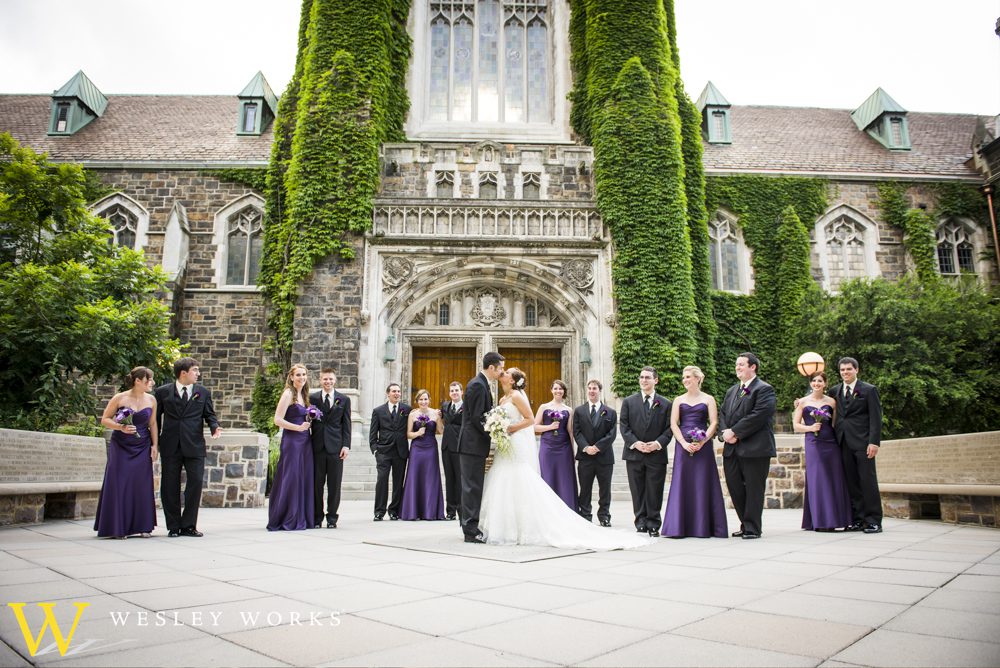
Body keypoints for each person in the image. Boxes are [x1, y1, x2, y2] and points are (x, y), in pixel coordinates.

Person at [480, 368, 652, 549]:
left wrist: (509, 428)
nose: (504, 372)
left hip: (524, 444)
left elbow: (530, 420)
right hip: (508, 445)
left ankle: (527, 526)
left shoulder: (517, 396)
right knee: (504, 482)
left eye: (508, 372)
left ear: (513, 381)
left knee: (521, 480)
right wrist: (498, 428)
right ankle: (505, 526)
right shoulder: (502, 399)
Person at [155, 357, 221, 538]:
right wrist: (154, 443)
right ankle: (173, 526)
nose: (198, 374)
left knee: (196, 483)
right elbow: (154, 421)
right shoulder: (162, 392)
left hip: (195, 445)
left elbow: (210, 415)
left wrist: (215, 427)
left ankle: (189, 525)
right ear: (183, 373)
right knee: (169, 485)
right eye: (195, 370)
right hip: (170, 444)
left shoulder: (203, 392)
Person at [660, 366, 727, 538]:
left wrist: (703, 440)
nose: (685, 380)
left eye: (688, 376)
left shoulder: (708, 399)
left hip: (703, 446)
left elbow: (713, 422)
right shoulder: (678, 400)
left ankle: (703, 526)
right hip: (683, 446)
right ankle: (679, 526)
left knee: (702, 482)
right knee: (683, 481)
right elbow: (674, 423)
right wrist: (682, 442)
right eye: (684, 377)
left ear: (698, 378)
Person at [94, 367, 158, 539]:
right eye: (149, 379)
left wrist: (154, 446)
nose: (152, 382)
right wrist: (120, 427)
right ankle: (117, 526)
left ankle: (143, 526)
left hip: (142, 445)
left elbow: (152, 424)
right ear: (138, 381)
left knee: (141, 484)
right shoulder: (120, 397)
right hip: (121, 446)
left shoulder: (152, 400)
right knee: (119, 482)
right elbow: (105, 419)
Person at [718, 352, 776, 540]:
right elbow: (723, 414)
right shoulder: (732, 390)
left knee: (753, 488)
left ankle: (753, 527)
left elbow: (759, 415)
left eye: (741, 364)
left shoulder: (764, 389)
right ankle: (744, 523)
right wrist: (725, 433)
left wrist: (735, 432)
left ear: (753, 367)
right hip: (732, 449)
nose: (738, 367)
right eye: (737, 364)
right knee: (735, 488)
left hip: (755, 449)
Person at [793, 371, 851, 532]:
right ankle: (820, 520)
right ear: (810, 383)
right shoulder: (802, 402)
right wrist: (810, 427)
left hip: (830, 443)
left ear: (825, 384)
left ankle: (836, 518)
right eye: (814, 381)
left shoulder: (832, 402)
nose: (817, 383)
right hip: (813, 443)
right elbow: (796, 426)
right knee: (819, 478)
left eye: (820, 381)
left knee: (834, 478)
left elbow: (835, 424)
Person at [831, 357, 884, 534]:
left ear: (856, 370)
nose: (845, 372)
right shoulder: (835, 391)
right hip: (843, 442)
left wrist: (874, 442)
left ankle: (874, 520)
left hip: (863, 443)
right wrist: (800, 403)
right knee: (851, 482)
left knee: (867, 481)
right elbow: (819, 401)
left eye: (848, 369)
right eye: (842, 370)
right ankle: (858, 519)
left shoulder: (869, 390)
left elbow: (876, 418)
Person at [457, 352, 505, 544]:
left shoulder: (482, 384)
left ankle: (471, 526)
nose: (501, 372)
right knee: (471, 487)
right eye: (500, 368)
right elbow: (478, 417)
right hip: (471, 444)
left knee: (474, 486)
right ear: (491, 368)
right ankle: (470, 531)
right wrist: (494, 431)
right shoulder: (478, 385)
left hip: (474, 444)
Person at [619, 366, 672, 537]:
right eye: (641, 377)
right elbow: (624, 426)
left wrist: (657, 443)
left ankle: (654, 522)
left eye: (648, 377)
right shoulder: (628, 401)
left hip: (656, 454)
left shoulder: (665, 403)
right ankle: (640, 521)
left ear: (656, 380)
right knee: (637, 489)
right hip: (634, 453)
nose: (644, 380)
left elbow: (669, 428)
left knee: (654, 490)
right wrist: (635, 443)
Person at [267, 364, 316, 531]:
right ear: (291, 377)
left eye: (304, 374)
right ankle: (287, 517)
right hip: (292, 441)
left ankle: (301, 516)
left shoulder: (304, 394)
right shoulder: (288, 394)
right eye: (298, 375)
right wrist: (298, 427)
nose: (302, 377)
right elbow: (277, 419)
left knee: (303, 477)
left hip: (305, 441)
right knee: (292, 477)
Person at [310, 368, 351, 529]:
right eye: (325, 379)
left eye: (330, 379)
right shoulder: (313, 398)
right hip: (317, 447)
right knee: (316, 485)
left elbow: (346, 424)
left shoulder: (344, 399)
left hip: (336, 448)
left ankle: (332, 518)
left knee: (334, 485)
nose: (328, 382)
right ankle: (317, 517)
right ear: (320, 380)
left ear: (335, 380)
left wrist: (346, 445)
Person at [573, 379, 616, 527]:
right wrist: (586, 447)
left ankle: (604, 516)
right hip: (585, 457)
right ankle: (585, 514)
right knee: (585, 488)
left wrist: (597, 447)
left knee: (605, 489)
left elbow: (612, 434)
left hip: (604, 457)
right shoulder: (579, 411)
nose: (592, 391)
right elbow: (576, 432)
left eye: (595, 388)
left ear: (599, 390)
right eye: (590, 388)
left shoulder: (610, 412)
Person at [400, 389, 446, 520]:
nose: (423, 402)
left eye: (425, 399)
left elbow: (441, 431)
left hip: (430, 448)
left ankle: (430, 511)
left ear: (429, 400)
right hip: (417, 449)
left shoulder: (435, 414)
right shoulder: (412, 415)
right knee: (415, 476)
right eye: (421, 399)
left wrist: (440, 418)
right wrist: (417, 433)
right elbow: (408, 434)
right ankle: (413, 511)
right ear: (417, 401)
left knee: (430, 478)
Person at [369, 383, 410, 521]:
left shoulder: (407, 409)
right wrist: (375, 449)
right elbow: (373, 433)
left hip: (400, 452)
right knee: (382, 480)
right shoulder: (378, 411)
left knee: (398, 482)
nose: (397, 393)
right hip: (383, 452)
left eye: (398, 391)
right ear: (388, 393)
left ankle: (394, 511)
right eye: (394, 391)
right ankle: (379, 511)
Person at [535, 379, 577, 510]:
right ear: (551, 390)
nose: (558, 391)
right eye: (556, 388)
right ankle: (548, 509)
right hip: (547, 447)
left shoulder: (569, 410)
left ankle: (567, 508)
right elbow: (534, 427)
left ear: (564, 391)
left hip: (564, 448)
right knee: (548, 475)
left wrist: (572, 451)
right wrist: (550, 427)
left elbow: (570, 431)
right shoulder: (544, 407)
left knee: (564, 478)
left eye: (561, 389)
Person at [439, 381, 464, 521]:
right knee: (449, 479)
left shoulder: (467, 407)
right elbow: (442, 420)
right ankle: (450, 511)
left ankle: (461, 509)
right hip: (447, 446)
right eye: (452, 390)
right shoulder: (444, 406)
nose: (454, 392)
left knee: (460, 479)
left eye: (457, 390)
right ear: (449, 393)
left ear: (461, 392)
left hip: (460, 446)